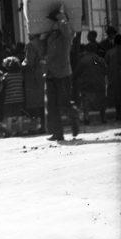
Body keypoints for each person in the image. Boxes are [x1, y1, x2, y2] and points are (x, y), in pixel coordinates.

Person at [43, 7, 79, 141]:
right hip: (50, 73)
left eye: (56, 21)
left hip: (63, 73)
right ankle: (57, 133)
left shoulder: (67, 35)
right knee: (52, 105)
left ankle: (74, 117)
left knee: (64, 103)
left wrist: (61, 16)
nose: (54, 23)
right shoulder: (50, 36)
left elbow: (66, 28)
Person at [73, 42, 108, 124]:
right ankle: (103, 118)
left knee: (86, 101)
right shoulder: (101, 60)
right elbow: (106, 71)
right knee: (101, 101)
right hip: (100, 84)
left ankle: (86, 118)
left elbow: (76, 73)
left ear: (87, 50)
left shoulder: (83, 60)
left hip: (87, 84)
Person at [22, 34, 46, 133]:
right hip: (44, 75)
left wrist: (22, 64)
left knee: (35, 104)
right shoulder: (44, 43)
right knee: (43, 103)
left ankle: (37, 126)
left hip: (34, 77)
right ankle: (44, 125)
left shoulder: (30, 45)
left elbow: (29, 62)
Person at [0, 56, 25, 136]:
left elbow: (0, 88)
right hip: (20, 98)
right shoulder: (20, 75)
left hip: (9, 99)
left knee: (9, 115)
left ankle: (9, 131)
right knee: (19, 115)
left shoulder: (6, 76)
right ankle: (20, 130)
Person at [106, 34, 121, 121]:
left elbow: (106, 64)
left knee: (117, 97)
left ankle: (118, 115)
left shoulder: (110, 52)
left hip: (114, 77)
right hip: (115, 76)